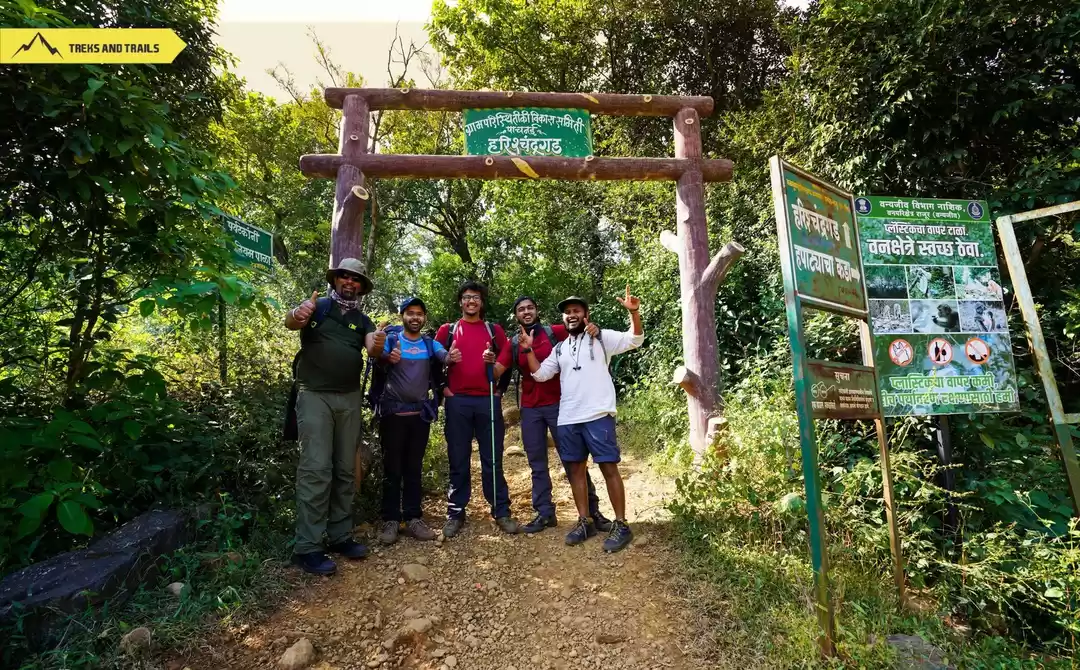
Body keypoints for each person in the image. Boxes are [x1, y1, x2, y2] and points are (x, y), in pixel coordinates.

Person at [521, 286, 644, 552]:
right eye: (567, 312)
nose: (571, 315)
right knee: (575, 470)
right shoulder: (560, 348)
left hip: (598, 414)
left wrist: (634, 313)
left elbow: (635, 339)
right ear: (563, 319)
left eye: (576, 311)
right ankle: (584, 520)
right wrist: (529, 350)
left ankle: (621, 524)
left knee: (608, 467)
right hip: (568, 418)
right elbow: (541, 375)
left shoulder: (601, 339)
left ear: (586, 314)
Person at [284, 258, 384, 575]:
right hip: (314, 395)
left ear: (361, 286)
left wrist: (378, 343)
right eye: (345, 276)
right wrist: (296, 315)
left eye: (356, 279)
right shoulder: (318, 307)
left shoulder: (364, 320)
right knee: (316, 468)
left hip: (349, 398)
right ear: (335, 279)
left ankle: (340, 535)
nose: (350, 282)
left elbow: (372, 349)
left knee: (344, 468)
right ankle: (307, 547)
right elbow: (292, 321)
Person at [504, 295, 612, 535]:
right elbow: (498, 369)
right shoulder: (514, 342)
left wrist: (595, 328)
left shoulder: (555, 332)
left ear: (537, 310)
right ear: (516, 315)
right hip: (530, 408)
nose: (526, 312)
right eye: (521, 309)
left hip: (561, 406)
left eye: (530, 307)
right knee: (537, 462)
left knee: (573, 461)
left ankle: (592, 513)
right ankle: (544, 513)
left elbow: (583, 334)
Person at [434, 281, 521, 537]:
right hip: (457, 401)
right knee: (458, 459)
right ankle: (456, 513)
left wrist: (499, 388)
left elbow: (508, 355)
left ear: (481, 303)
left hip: (487, 401)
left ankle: (501, 511)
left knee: (492, 459)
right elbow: (433, 359)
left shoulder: (493, 330)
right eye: (467, 297)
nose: (471, 301)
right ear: (460, 302)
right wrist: (443, 390)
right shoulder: (448, 330)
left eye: (476, 297)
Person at [376, 297, 446, 545]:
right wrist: (385, 357)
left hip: (419, 415)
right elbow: (376, 356)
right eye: (410, 313)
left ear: (424, 317)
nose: (415, 318)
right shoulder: (393, 340)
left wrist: (453, 356)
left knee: (414, 468)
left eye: (419, 314)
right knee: (392, 468)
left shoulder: (430, 343)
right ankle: (391, 520)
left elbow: (444, 356)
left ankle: (414, 517)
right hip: (393, 414)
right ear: (402, 316)